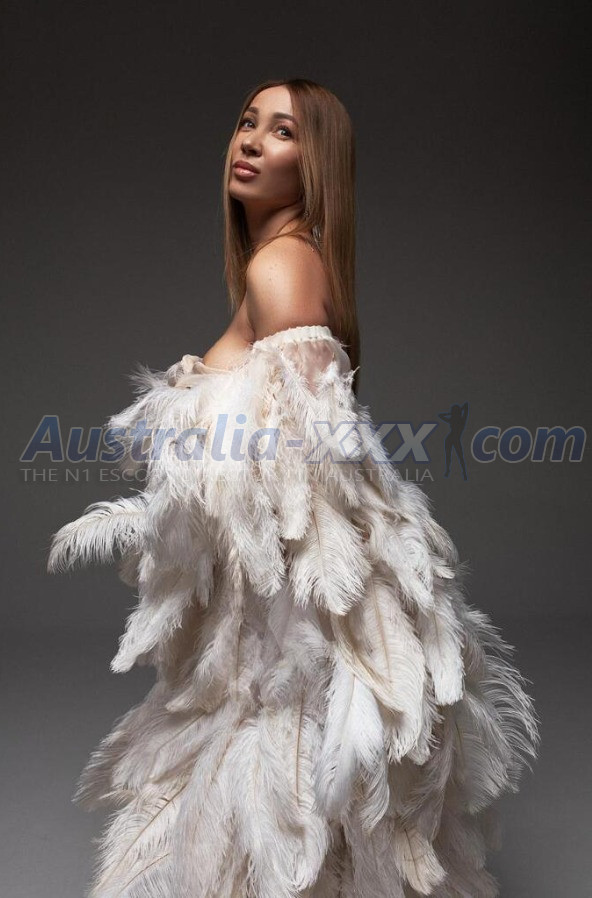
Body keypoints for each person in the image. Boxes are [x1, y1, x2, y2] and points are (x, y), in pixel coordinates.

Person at [47, 78, 539, 898]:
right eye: (248, 122)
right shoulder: (291, 260)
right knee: (295, 773)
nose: (250, 140)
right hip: (276, 581)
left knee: (284, 760)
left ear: (315, 168)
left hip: (288, 592)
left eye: (281, 132)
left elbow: (307, 448)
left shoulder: (281, 264)